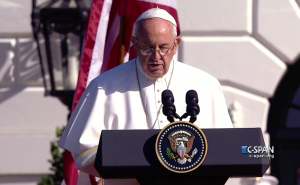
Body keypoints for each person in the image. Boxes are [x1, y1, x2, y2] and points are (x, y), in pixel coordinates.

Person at [59, 7, 233, 185]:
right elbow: (84, 152)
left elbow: (226, 149)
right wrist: (139, 163)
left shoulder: (206, 84)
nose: (156, 57)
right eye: (147, 48)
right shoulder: (104, 86)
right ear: (134, 43)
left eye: (164, 48)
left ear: (176, 45)